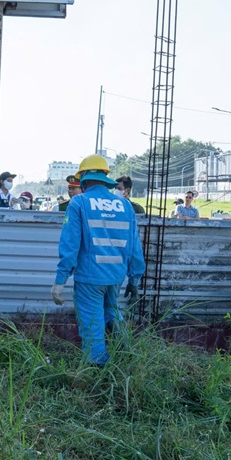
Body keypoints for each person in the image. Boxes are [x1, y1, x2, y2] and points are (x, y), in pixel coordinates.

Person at [51, 154, 146, 365]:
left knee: (92, 325)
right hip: (116, 276)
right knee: (112, 314)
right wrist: (134, 280)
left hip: (90, 278)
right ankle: (127, 358)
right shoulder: (124, 205)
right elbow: (134, 247)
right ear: (105, 177)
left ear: (84, 177)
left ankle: (96, 372)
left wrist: (60, 280)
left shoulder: (79, 203)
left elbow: (70, 245)